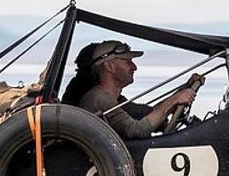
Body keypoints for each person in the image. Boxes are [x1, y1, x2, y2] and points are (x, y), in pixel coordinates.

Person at [61, 40, 200, 139]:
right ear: (110, 66)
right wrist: (174, 100)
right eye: (127, 62)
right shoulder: (99, 98)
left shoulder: (115, 99)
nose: (134, 67)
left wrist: (183, 90)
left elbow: (148, 113)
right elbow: (136, 131)